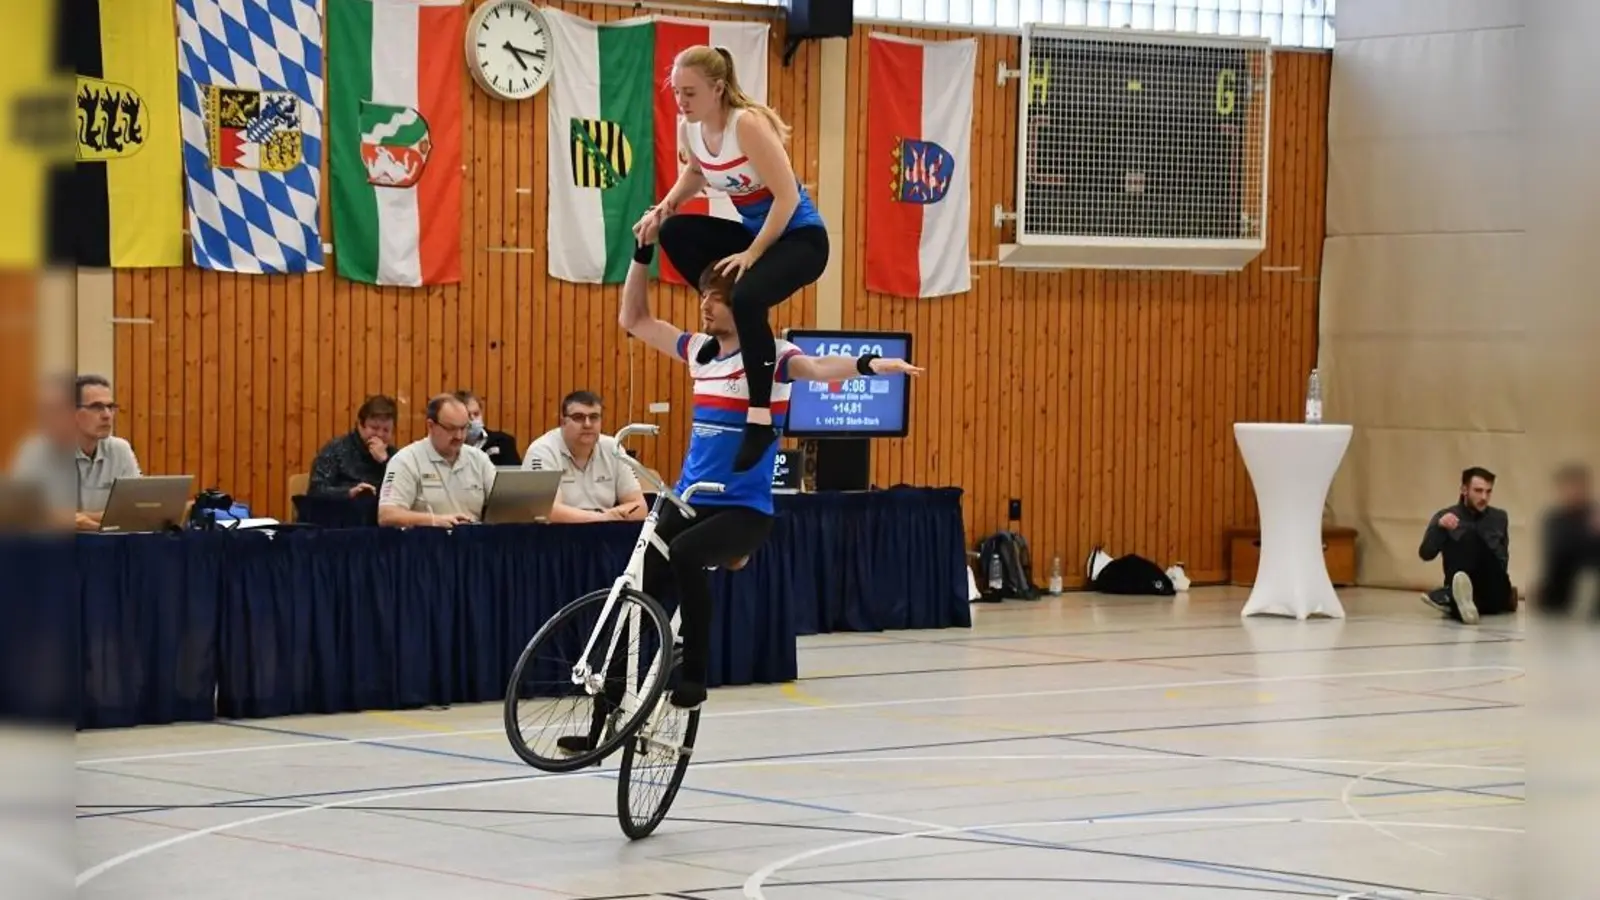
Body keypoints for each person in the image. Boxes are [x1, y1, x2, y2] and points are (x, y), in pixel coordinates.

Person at [556, 239, 920, 758]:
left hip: (745, 510)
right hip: (691, 499)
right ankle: (602, 720)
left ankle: (696, 671)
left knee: (684, 555)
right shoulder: (701, 352)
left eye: (718, 297)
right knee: (637, 594)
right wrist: (639, 256)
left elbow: (819, 370)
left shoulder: (771, 357)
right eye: (704, 294)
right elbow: (634, 319)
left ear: (745, 302)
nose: (705, 304)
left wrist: (870, 366)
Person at [632, 45, 828, 475]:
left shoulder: (749, 126)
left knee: (747, 298)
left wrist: (752, 255)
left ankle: (759, 419)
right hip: (756, 235)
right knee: (674, 230)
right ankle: (738, 306)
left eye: (690, 93)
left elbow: (788, 198)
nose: (681, 102)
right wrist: (661, 210)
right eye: (677, 92)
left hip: (800, 238)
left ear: (718, 88)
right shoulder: (691, 128)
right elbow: (697, 173)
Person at [1419, 466, 1515, 625]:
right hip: (1461, 583)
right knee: (1463, 536)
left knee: (1470, 536)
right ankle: (1459, 603)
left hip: (1493, 583)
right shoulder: (1445, 516)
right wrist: (1439, 527)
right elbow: (1426, 554)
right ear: (1464, 490)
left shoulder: (1499, 517)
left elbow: (1502, 561)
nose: (1484, 497)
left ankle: (1450, 599)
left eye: (1488, 491)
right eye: (1478, 491)